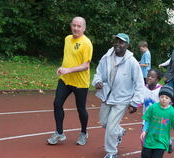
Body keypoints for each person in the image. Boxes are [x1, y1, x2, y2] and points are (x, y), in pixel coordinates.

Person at [92, 33, 144, 158]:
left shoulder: (132, 62)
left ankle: (111, 152)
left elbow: (139, 83)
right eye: (116, 41)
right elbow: (98, 72)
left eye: (121, 42)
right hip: (107, 95)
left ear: (127, 45)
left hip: (122, 98)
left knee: (110, 127)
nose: (118, 44)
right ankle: (119, 132)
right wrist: (97, 81)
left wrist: (135, 102)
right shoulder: (107, 57)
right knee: (104, 122)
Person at [47, 17, 93, 145]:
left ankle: (83, 133)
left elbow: (85, 65)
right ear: (71, 26)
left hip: (80, 83)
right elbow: (68, 57)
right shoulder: (67, 39)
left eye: (79, 26)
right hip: (65, 80)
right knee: (57, 104)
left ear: (84, 28)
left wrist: (68, 70)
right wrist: (63, 69)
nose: (76, 28)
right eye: (74, 25)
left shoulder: (86, 43)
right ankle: (59, 133)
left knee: (81, 109)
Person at [140, 85, 174, 158]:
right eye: (162, 97)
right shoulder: (153, 107)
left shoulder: (172, 112)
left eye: (167, 98)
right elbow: (147, 120)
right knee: (145, 155)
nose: (164, 99)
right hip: (150, 138)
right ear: (159, 97)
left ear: (170, 100)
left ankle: (169, 141)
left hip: (162, 140)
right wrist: (144, 130)